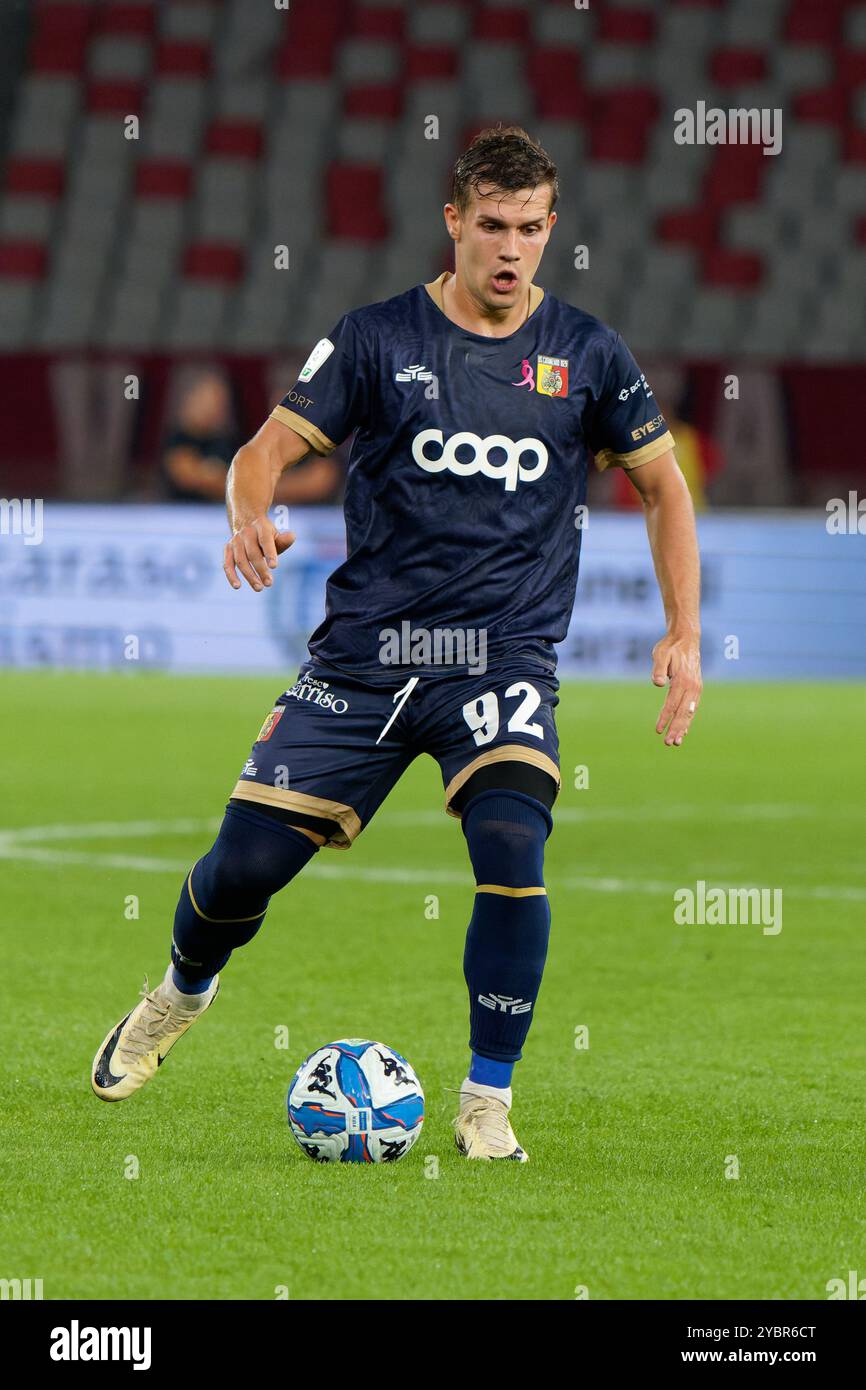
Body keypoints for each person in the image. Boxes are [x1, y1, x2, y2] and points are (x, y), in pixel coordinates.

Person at [92, 128, 702, 1162]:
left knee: (512, 849)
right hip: (364, 661)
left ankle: (485, 1097)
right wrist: (250, 513)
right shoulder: (376, 339)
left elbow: (660, 487)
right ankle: (176, 994)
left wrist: (684, 634)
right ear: (454, 221)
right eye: (492, 227)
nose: (510, 251)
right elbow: (262, 451)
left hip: (499, 660)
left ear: (550, 230)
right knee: (241, 867)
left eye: (530, 230)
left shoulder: (587, 356)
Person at [161, 365, 342, 504]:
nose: (216, 408)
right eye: (209, 399)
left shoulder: (323, 440)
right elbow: (190, 477)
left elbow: (319, 483)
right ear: (187, 400)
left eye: (221, 401)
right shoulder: (178, 441)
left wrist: (255, 491)